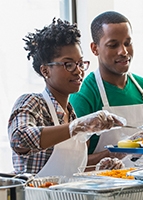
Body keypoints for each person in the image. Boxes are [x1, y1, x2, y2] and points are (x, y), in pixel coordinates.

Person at [8, 18, 123, 177]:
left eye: (81, 63)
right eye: (68, 64)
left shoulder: (71, 113)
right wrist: (77, 126)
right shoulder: (32, 102)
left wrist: (99, 168)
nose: (78, 71)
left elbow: (67, 172)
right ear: (45, 71)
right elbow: (19, 139)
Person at [69, 11, 143, 166]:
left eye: (127, 43)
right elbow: (75, 163)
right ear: (95, 48)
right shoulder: (84, 94)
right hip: (104, 185)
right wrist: (117, 152)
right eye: (113, 45)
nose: (123, 52)